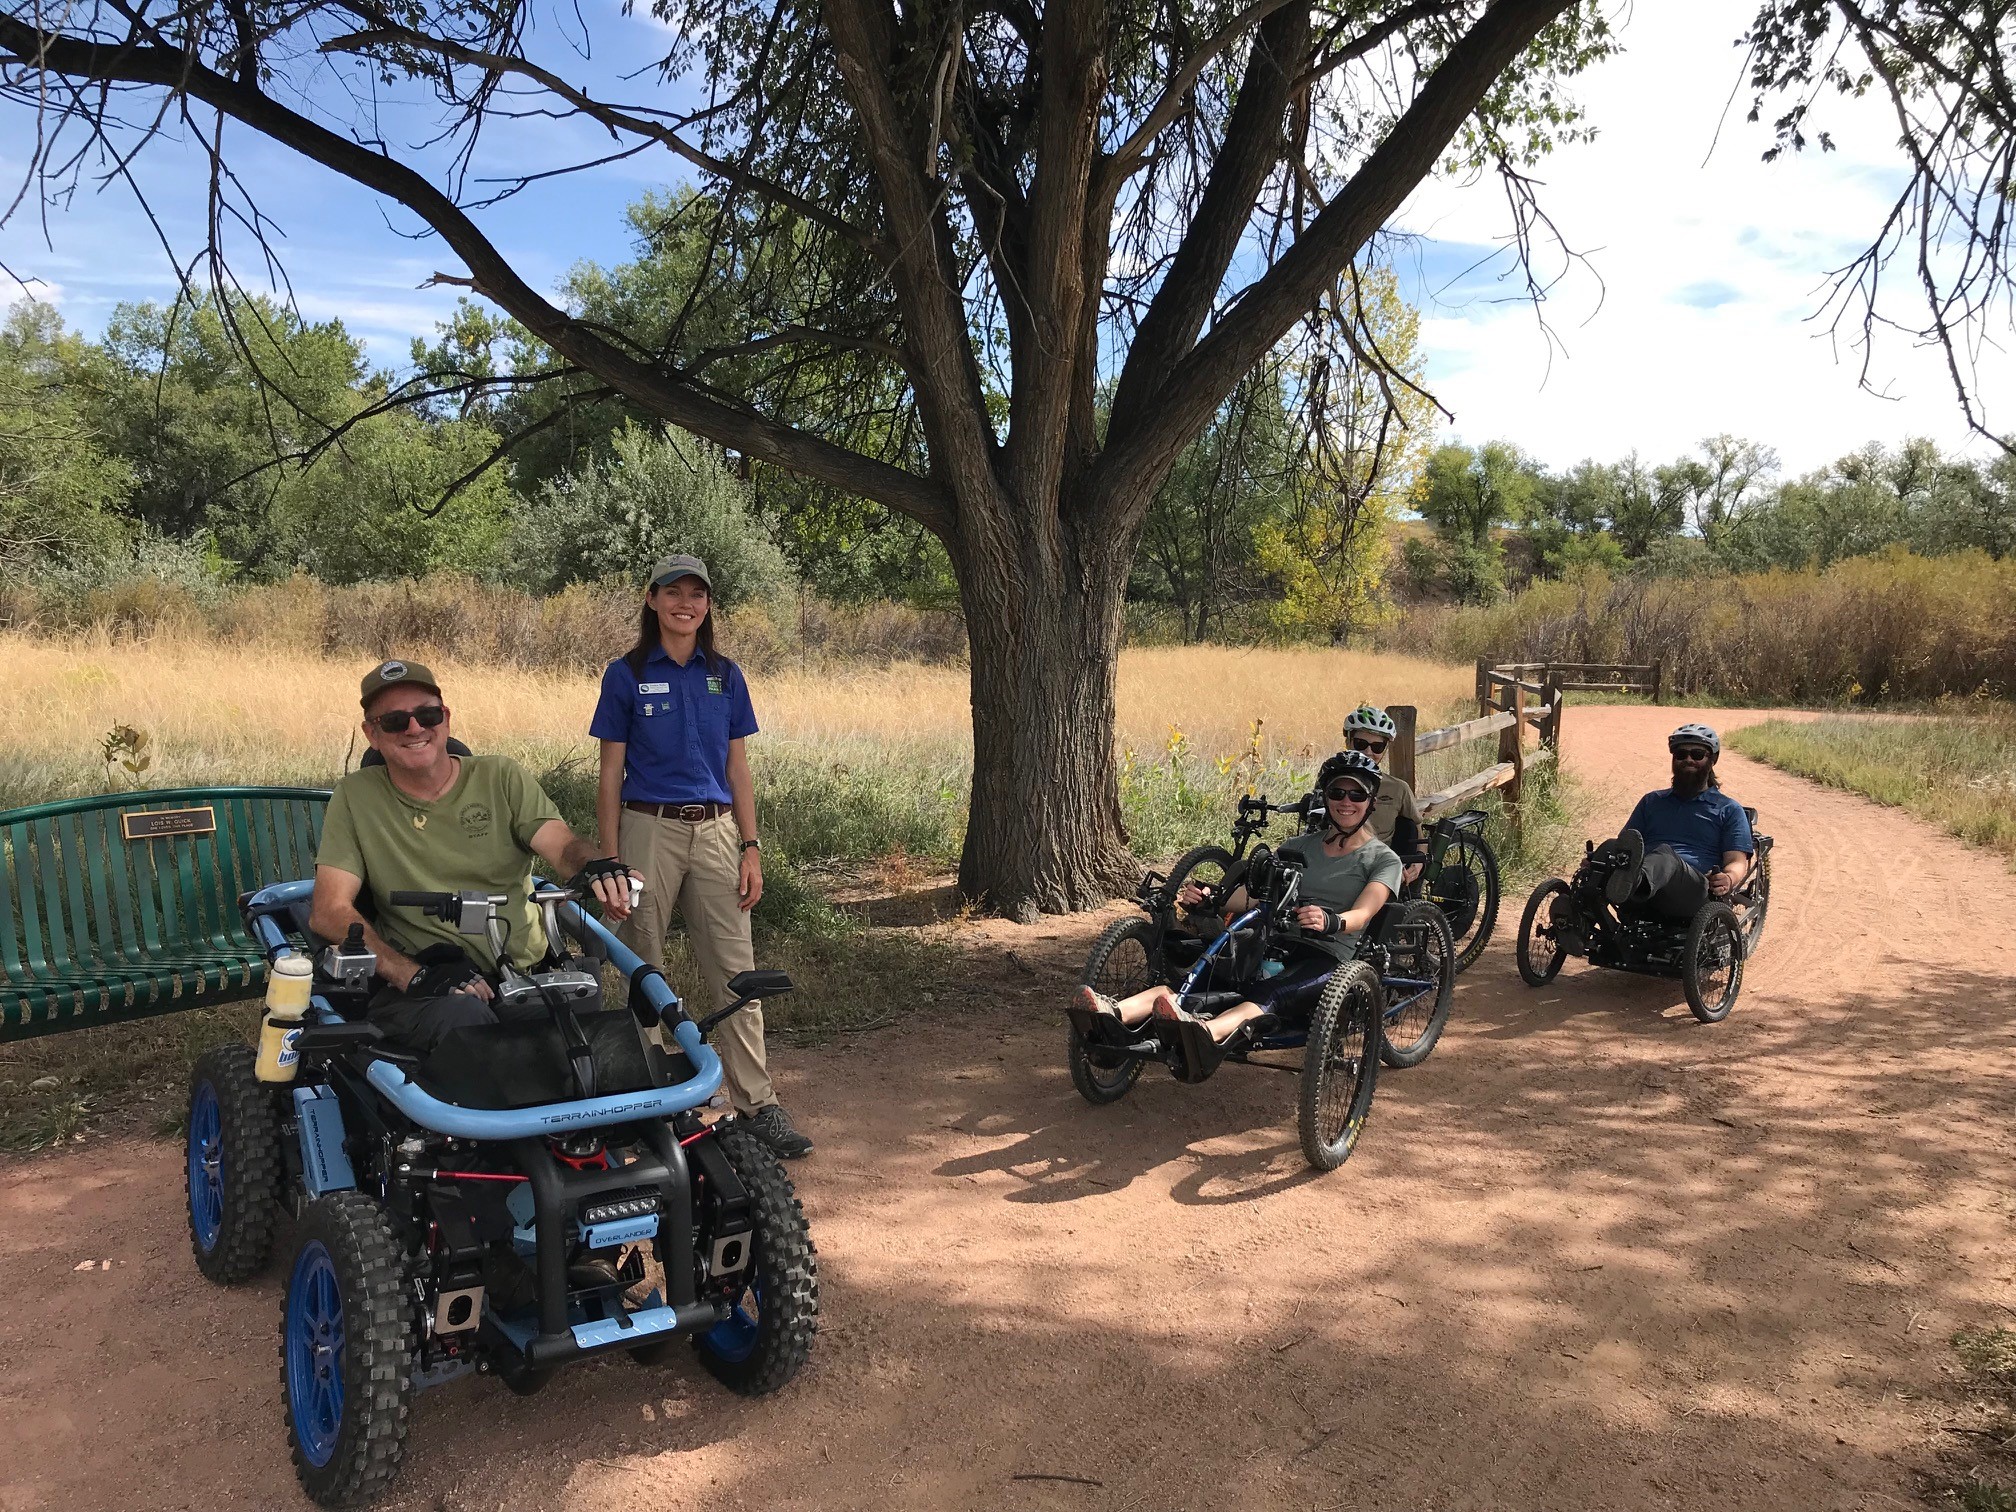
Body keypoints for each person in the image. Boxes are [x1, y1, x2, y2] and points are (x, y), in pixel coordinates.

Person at [591, 554, 812, 1161]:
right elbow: (610, 774)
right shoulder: (626, 674)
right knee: (644, 965)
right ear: (652, 600)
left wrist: (751, 845)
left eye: (698, 594)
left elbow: (738, 766)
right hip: (646, 831)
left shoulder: (725, 675)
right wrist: (609, 860)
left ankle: (757, 1103)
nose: (685, 603)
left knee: (735, 968)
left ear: (708, 605)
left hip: (716, 833)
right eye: (673, 592)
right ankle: (652, 1104)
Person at [310, 659, 639, 1052]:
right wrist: (410, 975)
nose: (415, 728)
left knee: (594, 1043)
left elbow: (563, 845)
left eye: (427, 714)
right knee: (472, 1027)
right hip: (429, 981)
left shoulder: (501, 776)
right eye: (395, 721)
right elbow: (329, 909)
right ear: (372, 734)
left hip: (521, 972)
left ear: (446, 719)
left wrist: (595, 866)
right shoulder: (355, 795)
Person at [1076, 750, 1403, 1073]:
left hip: (1326, 954)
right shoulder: (1298, 847)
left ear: (1370, 802)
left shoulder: (1382, 859)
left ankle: (1207, 1034)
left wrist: (1331, 920)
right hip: (1271, 942)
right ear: (1327, 798)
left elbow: (1365, 911)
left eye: (1357, 794)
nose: (1346, 801)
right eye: (1337, 792)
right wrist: (1212, 899)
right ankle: (1112, 1014)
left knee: (1270, 993)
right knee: (1198, 980)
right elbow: (1254, 896)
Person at [1586, 722, 1753, 919]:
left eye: (1697, 755)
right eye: (1681, 755)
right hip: (1643, 884)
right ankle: (1577, 916)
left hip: (1694, 891)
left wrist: (1728, 878)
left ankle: (1636, 882)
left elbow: (1736, 861)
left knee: (1665, 857)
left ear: (1712, 760)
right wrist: (1598, 862)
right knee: (1611, 846)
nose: (1688, 760)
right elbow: (1627, 845)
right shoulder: (1652, 801)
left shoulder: (1728, 809)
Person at [1342, 704, 1427, 883]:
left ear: (1385, 749)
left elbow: (1417, 828)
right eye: (1360, 744)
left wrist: (1418, 862)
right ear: (1348, 741)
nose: (1368, 752)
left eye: (1377, 747)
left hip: (1381, 867)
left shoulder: (1397, 788)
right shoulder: (1330, 782)